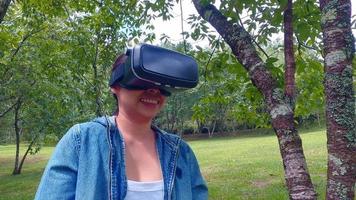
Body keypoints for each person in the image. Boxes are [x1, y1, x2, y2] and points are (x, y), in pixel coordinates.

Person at [35, 44, 208, 200]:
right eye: (142, 79)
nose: (154, 90)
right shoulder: (81, 141)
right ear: (114, 85)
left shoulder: (180, 152)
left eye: (163, 83)